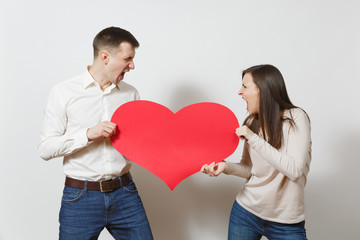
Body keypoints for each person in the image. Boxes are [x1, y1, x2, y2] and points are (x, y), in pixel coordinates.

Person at [38, 27, 153, 240]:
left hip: (125, 192)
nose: (132, 65)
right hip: (80, 197)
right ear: (105, 57)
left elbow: (142, 143)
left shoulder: (131, 93)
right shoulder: (63, 92)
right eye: (128, 59)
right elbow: (45, 149)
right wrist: (88, 134)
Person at [201, 64, 311, 240]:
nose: (239, 92)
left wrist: (253, 138)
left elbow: (295, 170)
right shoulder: (252, 122)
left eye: (245, 86)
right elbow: (248, 168)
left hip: (286, 222)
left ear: (263, 90)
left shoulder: (296, 118)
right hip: (245, 213)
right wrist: (226, 166)